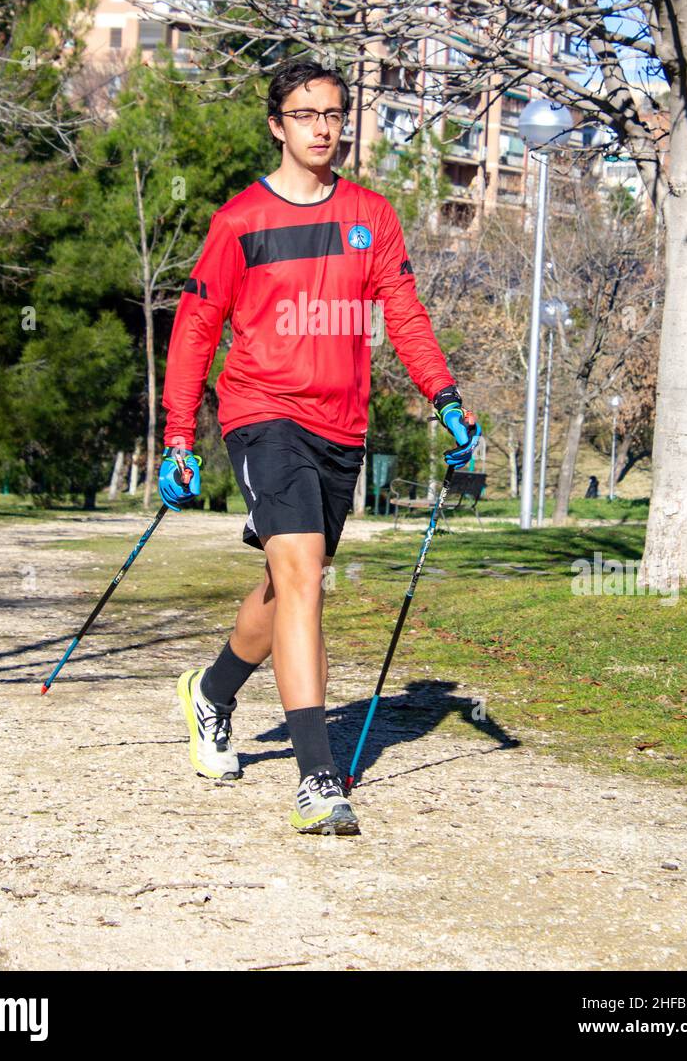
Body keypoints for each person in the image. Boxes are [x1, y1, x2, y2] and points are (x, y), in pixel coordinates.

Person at [158, 58, 476, 835]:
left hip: (341, 426)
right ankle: (318, 778)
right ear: (277, 125)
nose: (323, 127)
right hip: (261, 413)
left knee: (287, 582)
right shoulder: (239, 221)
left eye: (334, 113)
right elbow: (199, 324)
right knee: (301, 576)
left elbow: (403, 313)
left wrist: (445, 394)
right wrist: (177, 433)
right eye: (306, 114)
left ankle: (212, 692)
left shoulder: (372, 214)